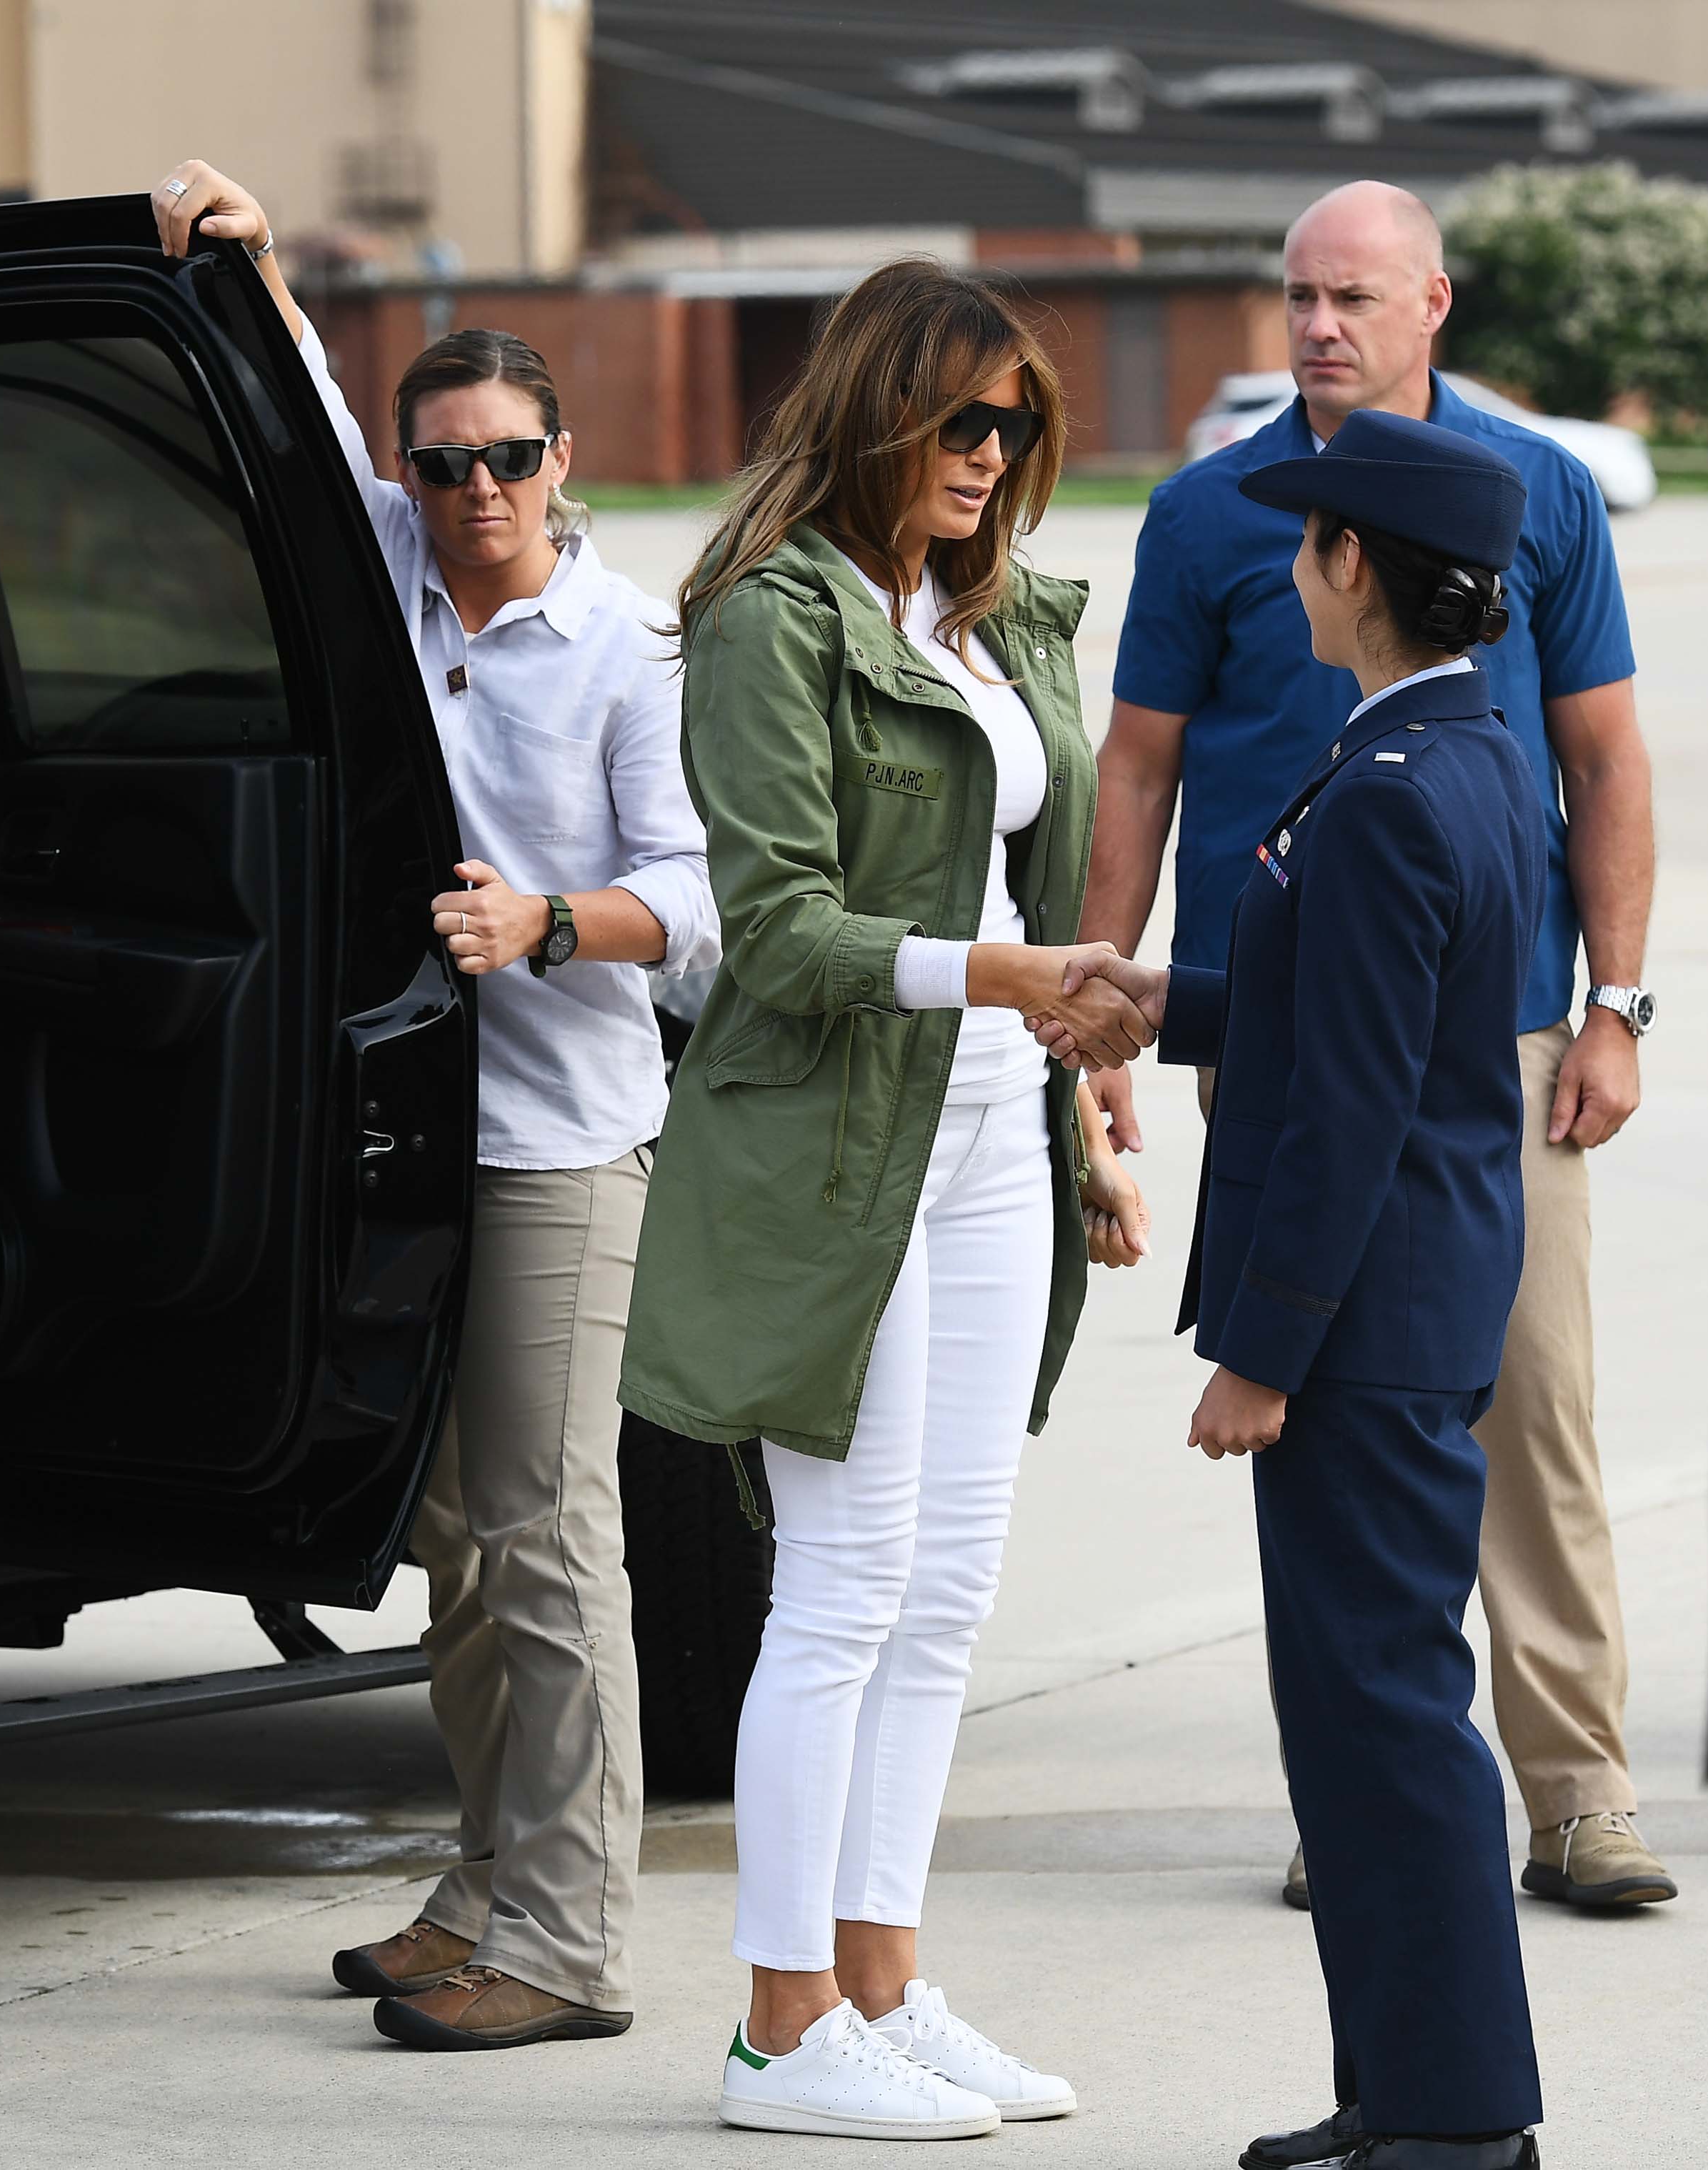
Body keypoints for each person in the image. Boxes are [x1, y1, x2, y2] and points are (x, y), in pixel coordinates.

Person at [151, 160, 718, 2052]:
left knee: (553, 1539)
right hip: (414, 1136)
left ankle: (570, 1939)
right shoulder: (393, 567)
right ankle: (486, 1881)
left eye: (507, 459)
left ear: (565, 464)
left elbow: (704, 907)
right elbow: (306, 418)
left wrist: (550, 919)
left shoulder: (630, 653)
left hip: (563, 1146)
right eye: (442, 462)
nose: (473, 490)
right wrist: (249, 256)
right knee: (464, 1540)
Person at [1089, 178, 1671, 1913]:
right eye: (1295, 296)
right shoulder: (1215, 514)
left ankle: (1572, 1789)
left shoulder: (1534, 494)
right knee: (1336, 1408)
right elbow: (1133, 765)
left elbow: (1604, 757)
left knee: (1532, 1400)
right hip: (1263, 1009)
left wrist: (1613, 1008)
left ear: (1434, 302)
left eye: (1351, 295)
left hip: (1498, 1029)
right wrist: (1109, 994)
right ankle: (1366, 1780)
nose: (1317, 324)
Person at [619, 258, 1154, 2141]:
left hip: (999, 1138)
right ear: (872, 411)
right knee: (836, 1592)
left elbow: (1030, 883)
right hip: (836, 1154)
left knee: (943, 1590)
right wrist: (1000, 981)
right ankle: (777, 2032)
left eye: (1016, 426)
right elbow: (769, 930)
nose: (992, 455)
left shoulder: (987, 616)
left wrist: (1079, 1095)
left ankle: (880, 1982)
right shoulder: (773, 618)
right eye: (959, 422)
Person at [1059, 409, 1549, 2170]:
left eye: (1304, 545)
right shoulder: (1457, 753)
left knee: (1381, 1718)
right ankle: (1403, 2088)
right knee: (1353, 1718)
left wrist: (1258, 1354)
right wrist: (1157, 998)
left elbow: (1351, 1105)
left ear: (1350, 568)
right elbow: (1353, 1012)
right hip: (1407, 1300)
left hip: (1361, 1322)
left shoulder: (1390, 795)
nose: (1286, 571)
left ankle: (1456, 2116)